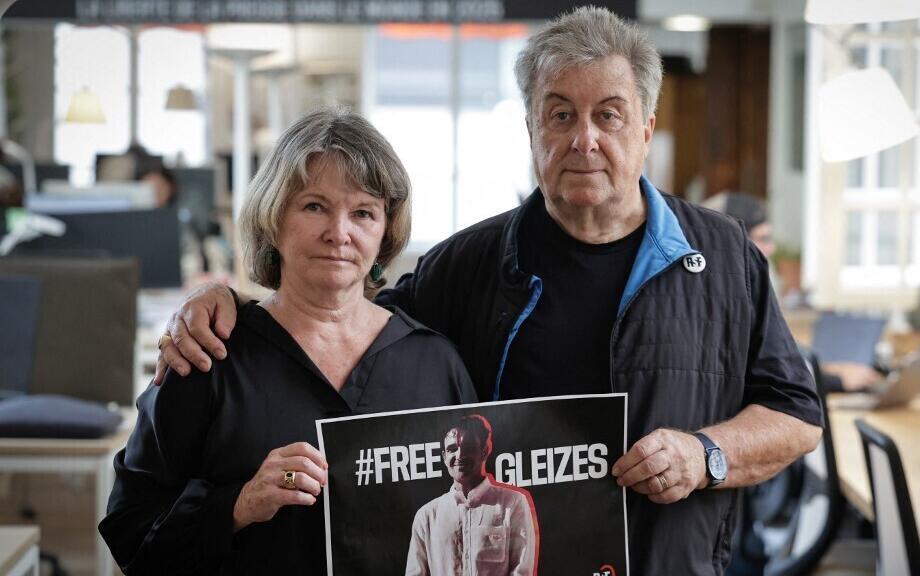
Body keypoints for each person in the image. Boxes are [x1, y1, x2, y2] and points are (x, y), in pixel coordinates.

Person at [155, 8, 822, 574]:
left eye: (608, 116)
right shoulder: (466, 264)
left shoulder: (725, 256)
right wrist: (232, 307)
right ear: (532, 129)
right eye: (560, 114)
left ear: (645, 127)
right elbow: (340, 329)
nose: (584, 139)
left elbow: (796, 415)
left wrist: (706, 455)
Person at [99, 107, 476, 574]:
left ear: (384, 233)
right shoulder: (208, 354)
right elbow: (128, 527)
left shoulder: (435, 365)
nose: (339, 233)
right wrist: (236, 506)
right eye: (314, 206)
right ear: (274, 219)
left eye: (363, 212)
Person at [703, 191, 884, 393]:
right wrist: (836, 381)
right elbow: (762, 376)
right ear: (732, 241)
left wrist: (826, 370)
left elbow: (773, 359)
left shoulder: (739, 291)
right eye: (763, 238)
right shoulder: (719, 304)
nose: (771, 249)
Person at [406, 414, 537, 576]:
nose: (459, 455)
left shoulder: (513, 503)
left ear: (484, 451)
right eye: (452, 449)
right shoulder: (426, 516)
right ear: (444, 457)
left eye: (467, 447)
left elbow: (521, 571)